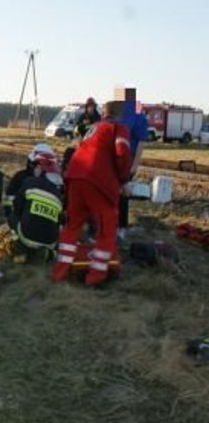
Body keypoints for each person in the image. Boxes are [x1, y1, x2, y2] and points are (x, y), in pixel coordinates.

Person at [51, 101, 133, 286]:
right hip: (97, 180)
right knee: (107, 226)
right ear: (120, 115)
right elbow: (122, 153)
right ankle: (95, 277)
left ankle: (59, 272)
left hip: (75, 177)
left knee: (72, 226)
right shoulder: (118, 128)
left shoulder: (93, 129)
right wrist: (123, 180)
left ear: (103, 113)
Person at [11, 151, 64, 261]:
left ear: (40, 167)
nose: (34, 169)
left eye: (35, 166)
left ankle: (21, 249)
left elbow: (17, 207)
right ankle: (48, 254)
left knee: (13, 217)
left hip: (28, 236)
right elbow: (60, 220)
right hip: (50, 240)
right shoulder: (58, 193)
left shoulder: (30, 182)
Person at [118, 99, 148, 240]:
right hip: (115, 158)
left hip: (127, 160)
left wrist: (135, 165)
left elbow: (141, 142)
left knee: (122, 194)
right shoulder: (118, 113)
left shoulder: (137, 117)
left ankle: (121, 227)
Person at [3, 142, 55, 223]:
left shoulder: (53, 181)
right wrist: (13, 218)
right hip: (21, 221)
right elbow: (9, 201)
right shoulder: (20, 177)